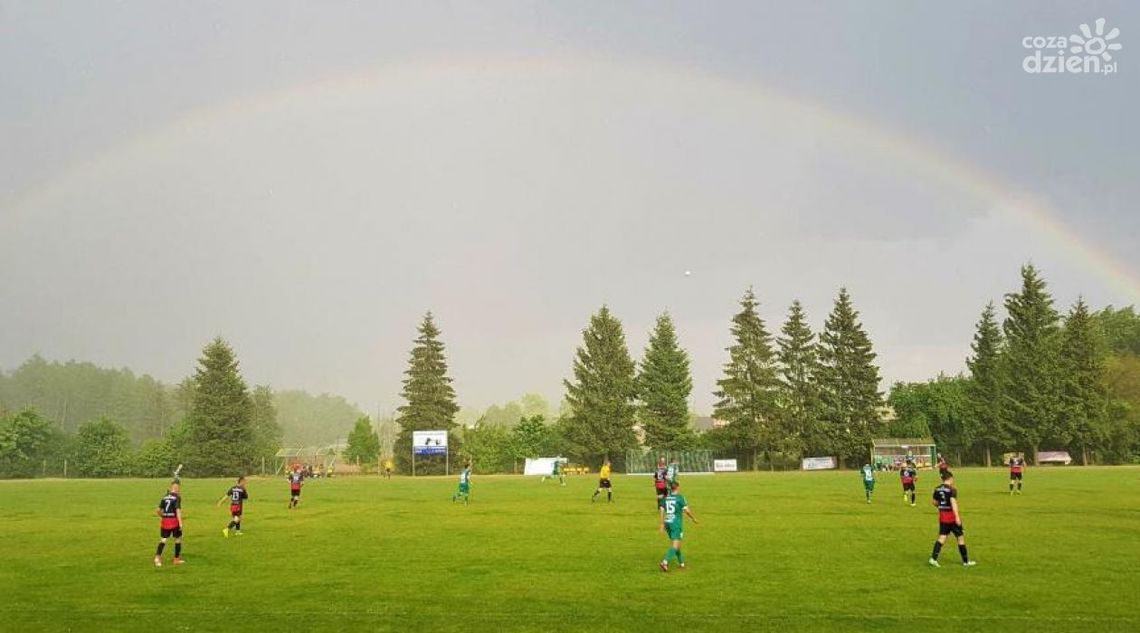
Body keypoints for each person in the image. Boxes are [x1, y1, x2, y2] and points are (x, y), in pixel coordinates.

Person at [929, 471, 977, 568]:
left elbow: (934, 502)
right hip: (951, 517)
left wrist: (942, 506)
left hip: (942, 516)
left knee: (942, 537)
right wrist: (957, 517)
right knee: (960, 538)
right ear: (950, 478)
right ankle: (966, 561)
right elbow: (953, 503)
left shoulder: (937, 489)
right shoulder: (952, 489)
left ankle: (933, 559)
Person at [658, 481, 698, 572]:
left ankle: (682, 564)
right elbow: (687, 511)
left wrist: (661, 524)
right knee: (675, 545)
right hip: (675, 524)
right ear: (678, 487)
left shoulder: (666, 498)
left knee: (677, 544)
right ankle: (665, 562)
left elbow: (661, 510)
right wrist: (693, 518)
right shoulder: (680, 498)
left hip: (667, 522)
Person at [154, 482, 184, 567]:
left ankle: (157, 557)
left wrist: (163, 516)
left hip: (165, 521)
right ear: (177, 488)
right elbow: (178, 510)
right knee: (178, 539)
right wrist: (180, 523)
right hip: (174, 521)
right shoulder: (177, 497)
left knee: (163, 539)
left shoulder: (164, 497)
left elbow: (158, 511)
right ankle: (176, 559)